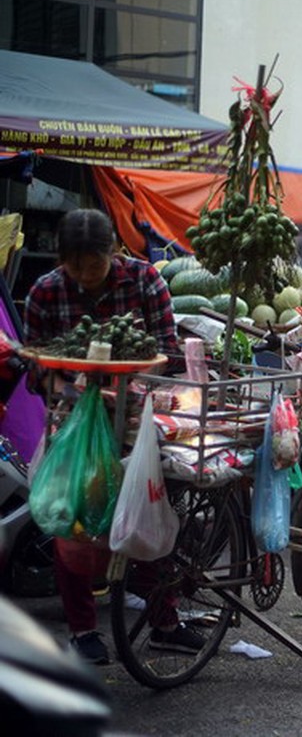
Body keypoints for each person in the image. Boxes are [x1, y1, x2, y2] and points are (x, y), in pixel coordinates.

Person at [25, 208, 202, 665]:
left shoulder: (145, 281)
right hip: (73, 425)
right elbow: (37, 371)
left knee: (148, 507)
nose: (84, 276)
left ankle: (164, 621)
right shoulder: (45, 292)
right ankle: (83, 630)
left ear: (115, 253)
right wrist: (72, 390)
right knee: (73, 522)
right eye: (74, 266)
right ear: (61, 260)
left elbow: (168, 352)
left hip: (135, 419)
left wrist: (125, 378)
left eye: (94, 265)